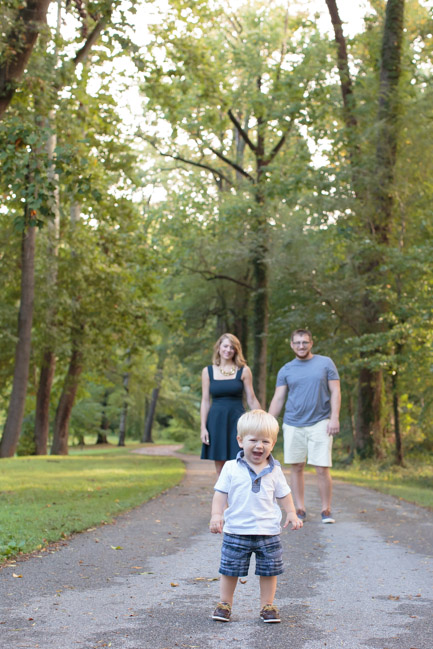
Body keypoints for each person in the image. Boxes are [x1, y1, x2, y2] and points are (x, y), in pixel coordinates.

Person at [209, 410, 303, 624]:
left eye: (265, 441)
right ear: (240, 441)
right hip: (236, 530)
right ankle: (225, 604)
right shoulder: (231, 468)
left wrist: (291, 512)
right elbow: (220, 494)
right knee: (230, 569)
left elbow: (284, 493)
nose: (259, 446)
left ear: (273, 443)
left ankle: (267, 606)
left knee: (269, 571)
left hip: (267, 532)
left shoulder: (274, 470)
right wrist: (216, 515)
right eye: (253, 440)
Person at [268, 329, 341, 524]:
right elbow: (279, 397)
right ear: (291, 344)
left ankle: (326, 509)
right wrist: (267, 421)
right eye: (298, 342)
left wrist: (335, 417)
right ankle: (299, 508)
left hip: (321, 421)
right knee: (297, 467)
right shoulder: (286, 369)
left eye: (305, 342)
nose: (301, 346)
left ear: (311, 343)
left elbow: (335, 391)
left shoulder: (325, 363)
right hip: (293, 423)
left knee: (322, 467)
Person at [200, 333, 261, 475]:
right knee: (220, 468)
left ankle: (239, 497)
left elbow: (251, 399)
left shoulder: (244, 370)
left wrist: (262, 420)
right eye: (225, 346)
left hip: (237, 421)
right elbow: (205, 400)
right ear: (219, 348)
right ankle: (223, 497)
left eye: (232, 347)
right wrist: (203, 427)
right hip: (216, 421)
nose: (228, 350)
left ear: (236, 350)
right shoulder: (208, 371)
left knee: (240, 463)